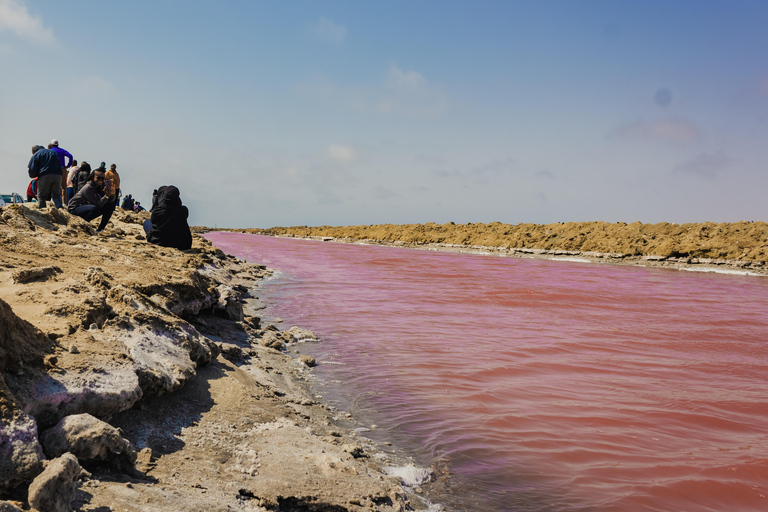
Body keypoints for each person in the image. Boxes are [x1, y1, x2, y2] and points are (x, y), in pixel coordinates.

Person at [143, 185, 192, 250]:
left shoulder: (157, 212)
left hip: (160, 242)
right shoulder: (183, 211)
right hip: (182, 244)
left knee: (147, 222)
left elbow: (154, 222)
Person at [97, 163, 121, 232]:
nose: (113, 167)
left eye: (114, 166)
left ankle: (113, 208)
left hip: (116, 188)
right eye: (112, 166)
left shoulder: (116, 173)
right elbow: (105, 180)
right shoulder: (108, 172)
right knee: (109, 200)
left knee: (114, 199)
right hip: (109, 188)